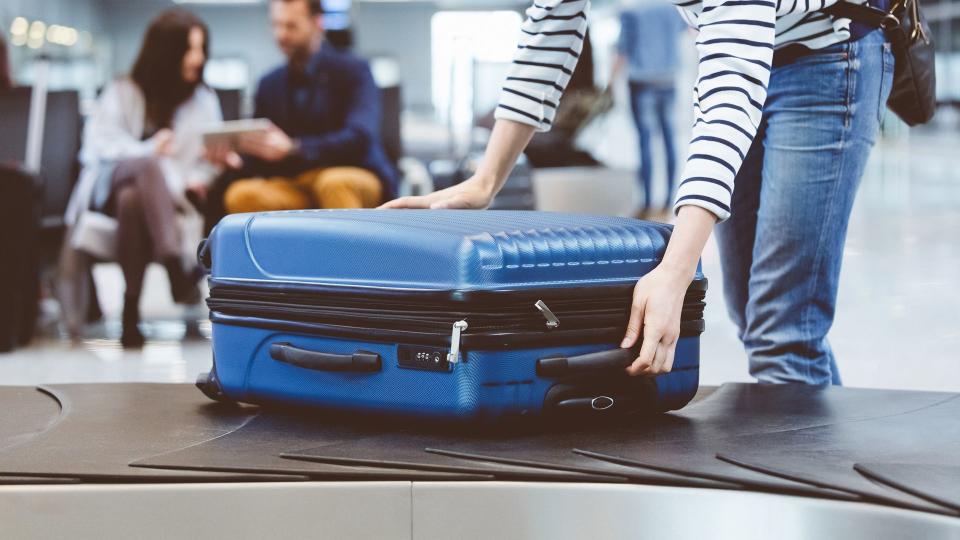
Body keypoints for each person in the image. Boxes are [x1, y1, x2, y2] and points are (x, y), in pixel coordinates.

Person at [384, 0, 894, 386]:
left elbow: (729, 95)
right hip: (756, 52)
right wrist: (484, 181)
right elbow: (549, 32)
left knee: (782, 330)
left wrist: (675, 270)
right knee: (755, 315)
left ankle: (800, 512)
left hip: (829, 58)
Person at [62, 9, 221, 348]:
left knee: (132, 201)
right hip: (109, 182)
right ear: (167, 53)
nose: (199, 57)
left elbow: (206, 159)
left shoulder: (204, 101)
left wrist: (199, 177)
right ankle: (172, 264)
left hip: (169, 198)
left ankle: (130, 309)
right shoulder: (122, 91)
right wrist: (149, 148)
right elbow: (98, 146)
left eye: (201, 49)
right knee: (145, 166)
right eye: (190, 49)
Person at [206, 0, 396, 222]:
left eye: (291, 26)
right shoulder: (270, 84)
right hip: (297, 182)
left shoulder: (354, 71)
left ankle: (350, 256)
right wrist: (236, 161)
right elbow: (266, 153)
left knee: (334, 184)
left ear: (318, 23)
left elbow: (359, 137)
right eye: (276, 25)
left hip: (353, 173)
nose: (281, 35)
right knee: (241, 194)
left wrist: (295, 149)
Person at [612, 0, 687, 215]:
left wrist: (608, 84)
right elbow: (687, 30)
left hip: (641, 82)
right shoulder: (673, 7)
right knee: (669, 139)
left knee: (645, 142)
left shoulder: (630, 10)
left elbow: (622, 50)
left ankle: (646, 202)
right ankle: (669, 201)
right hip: (668, 80)